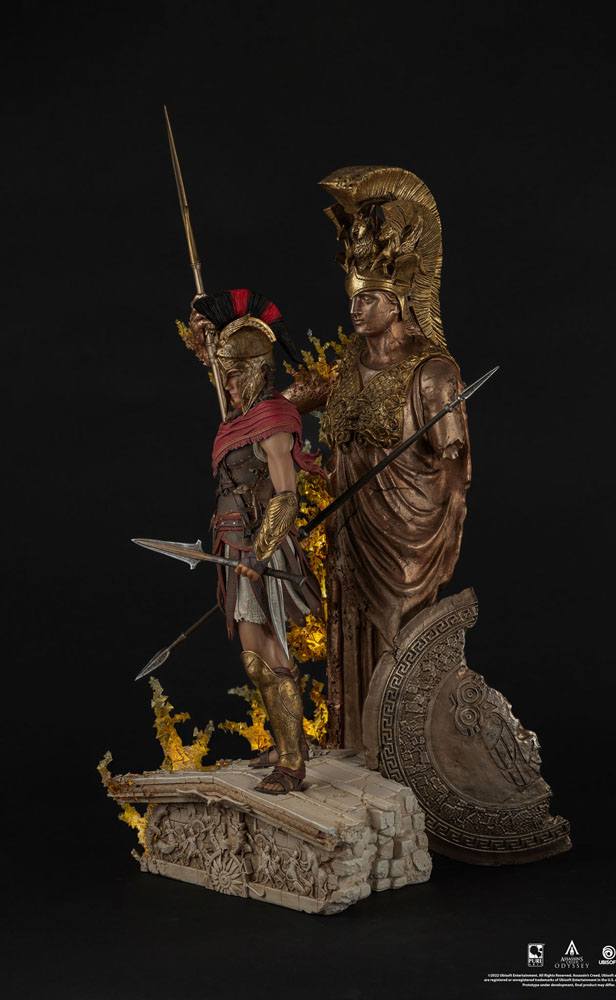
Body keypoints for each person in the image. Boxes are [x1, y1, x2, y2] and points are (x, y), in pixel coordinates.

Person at [284, 166, 471, 750]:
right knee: (347, 630)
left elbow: (452, 456)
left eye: (368, 299)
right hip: (349, 526)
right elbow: (305, 396)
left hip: (404, 535)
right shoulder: (349, 366)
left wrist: (449, 452)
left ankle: (400, 752)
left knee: (394, 635)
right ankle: (353, 746)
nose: (356, 310)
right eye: (354, 299)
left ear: (398, 303)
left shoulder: (432, 373)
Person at [187, 288, 323, 793]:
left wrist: (262, 556)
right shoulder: (239, 418)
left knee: (266, 654)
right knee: (254, 656)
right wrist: (203, 328)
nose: (226, 383)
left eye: (233, 374)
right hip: (234, 546)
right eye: (223, 374)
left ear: (256, 370)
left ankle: (291, 762)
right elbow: (212, 361)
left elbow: (286, 497)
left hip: (261, 549)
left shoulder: (272, 421)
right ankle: (291, 741)